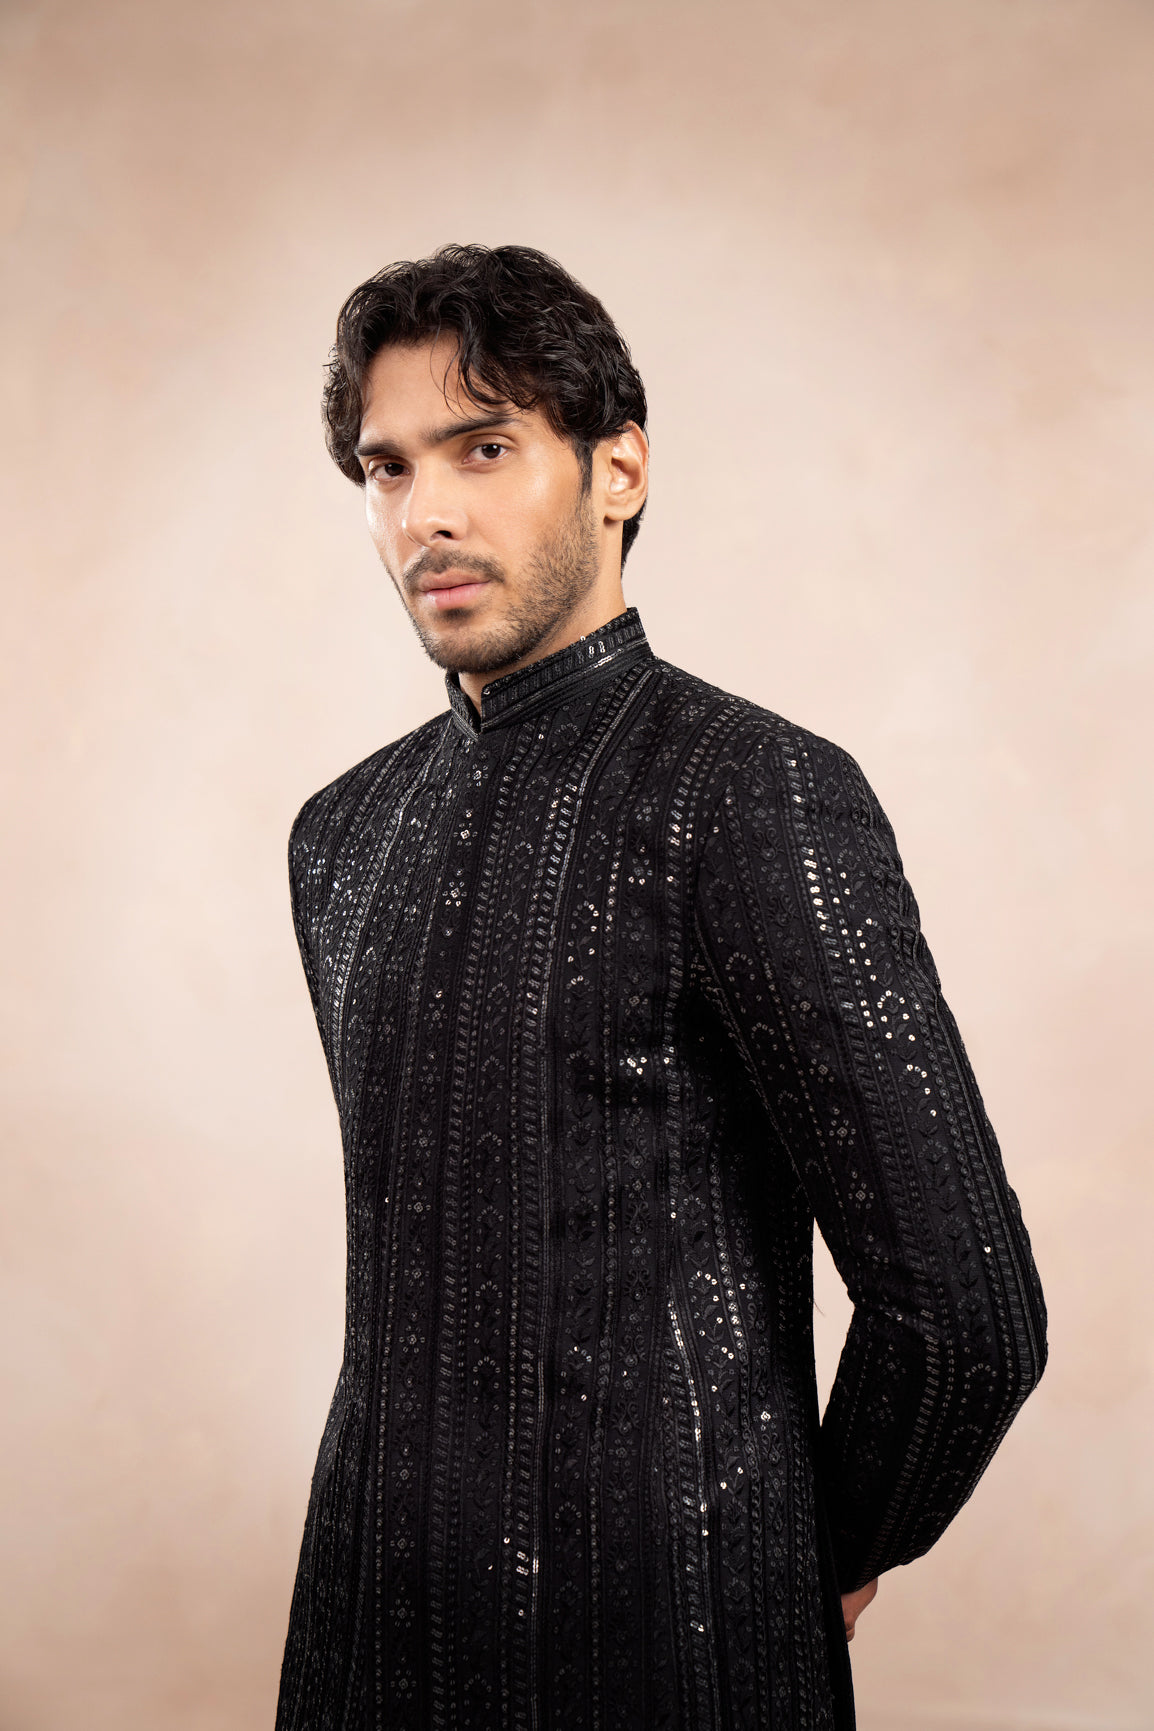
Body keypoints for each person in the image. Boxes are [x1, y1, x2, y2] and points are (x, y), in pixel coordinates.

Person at [276, 244, 1046, 1731]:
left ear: (616, 468)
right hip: (366, 1634)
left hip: (677, 1650)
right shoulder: (342, 834)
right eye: (387, 468)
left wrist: (799, 1559)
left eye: (483, 448)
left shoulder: (752, 791)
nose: (426, 513)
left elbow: (965, 1316)